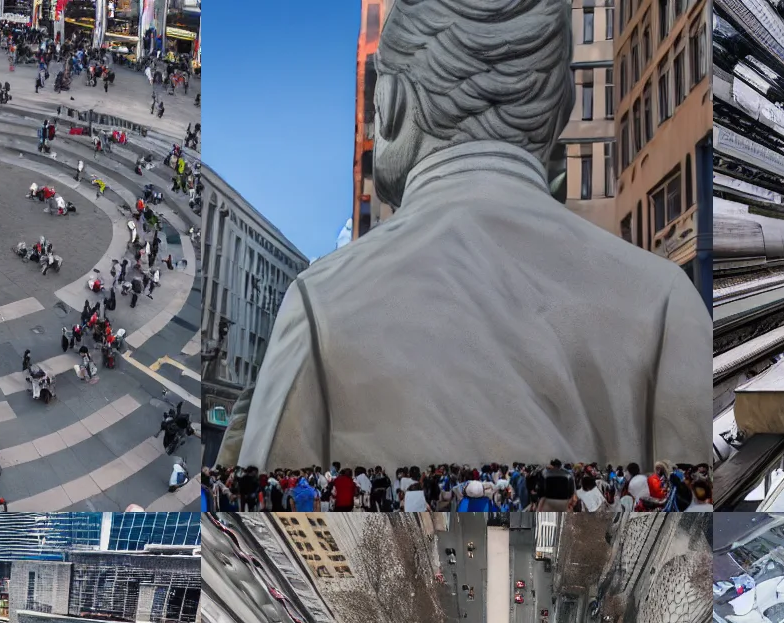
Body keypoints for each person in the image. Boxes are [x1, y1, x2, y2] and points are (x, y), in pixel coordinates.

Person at [221, 0, 709, 468]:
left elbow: (261, 493)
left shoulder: (317, 305)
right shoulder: (668, 303)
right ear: (559, 113)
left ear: (391, 105)